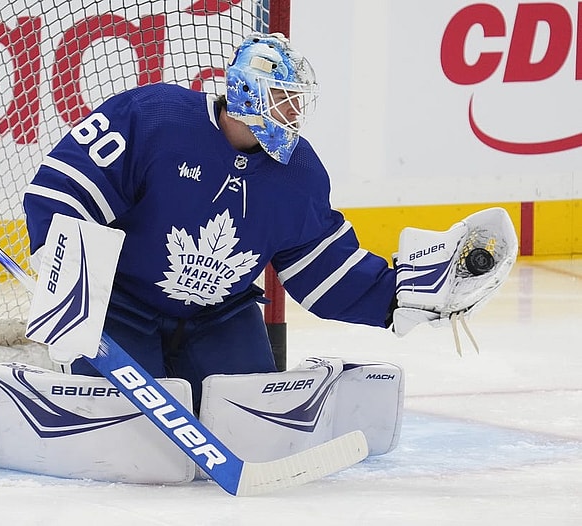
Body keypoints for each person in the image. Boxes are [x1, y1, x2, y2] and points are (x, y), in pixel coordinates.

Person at [23, 32, 396, 411]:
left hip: (221, 316)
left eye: (298, 98)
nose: (295, 110)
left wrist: (395, 297)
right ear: (249, 92)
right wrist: (61, 260)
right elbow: (62, 188)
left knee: (251, 421)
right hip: (119, 307)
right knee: (124, 421)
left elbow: (325, 269)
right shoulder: (155, 116)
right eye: (285, 96)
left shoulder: (299, 172)